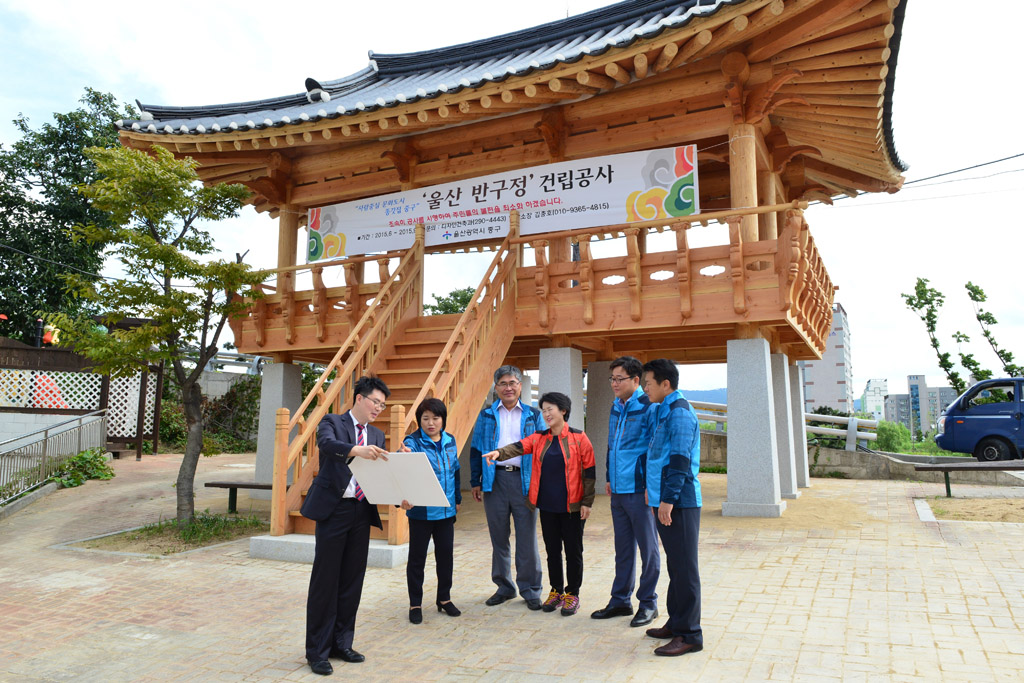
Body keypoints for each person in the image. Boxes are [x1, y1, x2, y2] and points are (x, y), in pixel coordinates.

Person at [300, 376, 390, 675]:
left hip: (361, 512)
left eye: (382, 404)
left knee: (352, 580)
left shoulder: (377, 434)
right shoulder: (333, 422)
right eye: (376, 402)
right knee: (326, 581)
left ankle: (342, 643)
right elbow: (327, 446)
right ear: (359, 398)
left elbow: (380, 475)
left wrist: (400, 495)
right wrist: (355, 450)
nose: (379, 408)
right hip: (334, 510)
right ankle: (317, 651)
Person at [484, 392, 596, 616]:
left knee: (573, 552)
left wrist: (587, 502)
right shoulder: (539, 437)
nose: (546, 414)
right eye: (543, 409)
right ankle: (556, 591)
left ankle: (572, 594)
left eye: (550, 409)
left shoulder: (579, 437)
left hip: (572, 506)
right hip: (547, 505)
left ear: (563, 411)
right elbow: (519, 446)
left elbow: (589, 472)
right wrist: (500, 453)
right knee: (552, 551)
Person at [591, 356, 660, 627]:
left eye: (620, 379)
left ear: (635, 380)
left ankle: (649, 603)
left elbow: (654, 449)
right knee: (623, 548)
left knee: (649, 549)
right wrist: (609, 477)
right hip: (618, 489)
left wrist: (650, 487)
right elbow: (611, 445)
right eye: (612, 379)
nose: (614, 384)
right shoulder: (616, 406)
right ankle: (620, 601)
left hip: (639, 489)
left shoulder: (648, 406)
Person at [640, 359, 703, 657]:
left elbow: (679, 461)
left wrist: (667, 500)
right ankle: (677, 623)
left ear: (666, 384)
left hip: (679, 501)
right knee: (675, 565)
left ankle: (690, 634)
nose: (644, 388)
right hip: (664, 498)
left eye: (648, 383)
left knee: (686, 568)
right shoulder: (663, 409)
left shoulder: (678, 413)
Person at [469, 365, 544, 609]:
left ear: (520, 386)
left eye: (513, 383)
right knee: (498, 536)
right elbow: (477, 448)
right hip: (495, 480)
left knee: (527, 537)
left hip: (524, 481)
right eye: (503, 383)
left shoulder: (533, 414)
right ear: (497, 388)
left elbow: (544, 448)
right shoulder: (486, 415)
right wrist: (475, 480)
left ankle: (530, 589)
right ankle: (504, 586)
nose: (508, 388)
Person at [400, 398, 462, 624]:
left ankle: (444, 599)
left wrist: (457, 499)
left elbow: (455, 471)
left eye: (435, 418)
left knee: (445, 557)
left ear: (443, 419)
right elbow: (404, 467)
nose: (431, 423)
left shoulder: (450, 440)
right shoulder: (412, 442)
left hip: (445, 511)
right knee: (417, 559)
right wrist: (403, 456)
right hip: (421, 513)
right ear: (419, 421)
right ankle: (415, 604)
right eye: (425, 418)